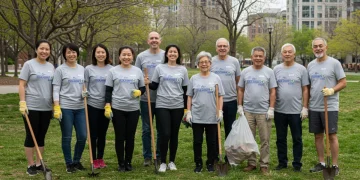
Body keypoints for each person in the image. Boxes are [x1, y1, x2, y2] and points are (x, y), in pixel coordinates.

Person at [146, 44, 189, 172]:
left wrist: (186, 108)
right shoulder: (160, 68)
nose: (172, 54)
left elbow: (186, 89)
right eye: (170, 52)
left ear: (178, 54)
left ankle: (172, 161)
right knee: (165, 133)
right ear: (166, 54)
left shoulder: (183, 69)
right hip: (162, 105)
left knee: (174, 134)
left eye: (175, 52)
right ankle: (163, 162)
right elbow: (154, 86)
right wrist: (148, 83)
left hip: (177, 105)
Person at [307, 37, 346, 175]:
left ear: (326, 47)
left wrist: (332, 90)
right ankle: (322, 162)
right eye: (315, 46)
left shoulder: (334, 63)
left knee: (332, 136)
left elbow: (343, 82)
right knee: (318, 136)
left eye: (320, 46)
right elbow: (309, 86)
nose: (318, 48)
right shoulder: (310, 65)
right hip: (315, 106)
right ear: (313, 49)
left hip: (329, 106)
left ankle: (334, 165)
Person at [104, 46, 145, 172]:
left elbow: (142, 88)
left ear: (132, 57)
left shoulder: (138, 71)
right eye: (124, 55)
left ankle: (128, 161)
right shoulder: (113, 71)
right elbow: (108, 90)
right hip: (118, 108)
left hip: (133, 109)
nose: (126, 57)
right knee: (120, 136)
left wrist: (140, 92)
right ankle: (121, 162)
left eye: (129, 55)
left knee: (130, 137)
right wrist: (107, 106)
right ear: (119, 57)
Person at [237, 46, 277, 175]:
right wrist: (240, 106)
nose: (258, 58)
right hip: (248, 110)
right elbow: (241, 90)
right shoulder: (245, 72)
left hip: (264, 111)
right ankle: (251, 163)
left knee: (264, 139)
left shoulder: (269, 72)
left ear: (264, 57)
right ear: (252, 57)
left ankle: (264, 164)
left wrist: (271, 108)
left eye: (260, 56)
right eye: (256, 56)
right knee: (249, 138)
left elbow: (272, 91)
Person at [19, 39, 54, 176]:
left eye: (47, 49)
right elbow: (22, 84)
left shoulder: (51, 67)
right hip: (31, 106)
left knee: (41, 136)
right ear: (36, 49)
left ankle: (39, 164)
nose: (44, 51)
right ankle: (30, 164)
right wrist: (22, 102)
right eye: (42, 48)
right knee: (31, 135)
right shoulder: (29, 64)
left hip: (46, 107)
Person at [185, 51, 224, 173]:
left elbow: (220, 96)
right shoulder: (194, 78)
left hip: (212, 115)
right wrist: (188, 112)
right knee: (197, 141)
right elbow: (189, 96)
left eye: (206, 62)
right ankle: (198, 163)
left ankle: (210, 163)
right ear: (198, 64)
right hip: (197, 115)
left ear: (210, 63)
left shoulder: (216, 78)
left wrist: (220, 111)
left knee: (211, 141)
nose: (204, 64)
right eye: (201, 62)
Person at [273, 43, 309, 172]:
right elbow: (273, 89)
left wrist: (305, 107)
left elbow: (305, 89)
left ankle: (297, 163)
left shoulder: (301, 69)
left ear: (294, 54)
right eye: (285, 52)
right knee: (280, 138)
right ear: (282, 54)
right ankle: (282, 162)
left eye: (290, 52)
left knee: (297, 138)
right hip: (279, 110)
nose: (287, 54)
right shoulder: (276, 69)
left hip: (295, 111)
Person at [52, 43, 87, 173]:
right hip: (65, 107)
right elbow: (56, 89)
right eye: (69, 52)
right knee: (67, 137)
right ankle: (69, 163)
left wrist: (85, 93)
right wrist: (57, 106)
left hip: (80, 108)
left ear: (77, 53)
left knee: (82, 136)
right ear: (64, 54)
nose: (71, 54)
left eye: (74, 52)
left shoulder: (82, 69)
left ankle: (77, 161)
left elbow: (84, 86)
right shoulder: (60, 70)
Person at [135, 31, 164, 166]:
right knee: (147, 128)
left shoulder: (165, 55)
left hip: (162, 99)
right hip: (146, 99)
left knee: (160, 128)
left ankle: (158, 155)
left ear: (160, 40)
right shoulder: (141, 57)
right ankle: (147, 156)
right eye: (151, 38)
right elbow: (135, 74)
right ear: (148, 41)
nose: (154, 40)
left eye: (156, 38)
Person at [210, 38, 241, 162]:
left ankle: (230, 156)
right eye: (219, 46)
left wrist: (239, 103)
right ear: (216, 48)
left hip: (230, 100)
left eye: (224, 46)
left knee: (230, 129)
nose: (222, 48)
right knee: (214, 129)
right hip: (213, 101)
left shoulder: (234, 61)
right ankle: (215, 155)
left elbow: (238, 82)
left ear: (228, 48)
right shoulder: (211, 61)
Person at [84, 44, 113, 169]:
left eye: (103, 52)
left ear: (106, 54)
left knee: (103, 133)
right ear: (94, 54)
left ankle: (100, 158)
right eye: (98, 52)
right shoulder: (89, 69)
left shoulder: (112, 69)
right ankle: (93, 158)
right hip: (92, 105)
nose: (101, 54)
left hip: (106, 106)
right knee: (93, 134)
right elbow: (84, 85)